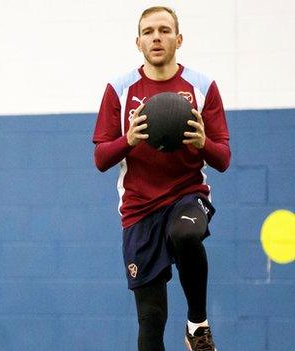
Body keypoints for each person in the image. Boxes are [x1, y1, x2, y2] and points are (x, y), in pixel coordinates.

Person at [92, 6, 230, 351]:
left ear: (178, 39)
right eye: (149, 31)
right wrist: (129, 139)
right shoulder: (119, 90)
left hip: (187, 194)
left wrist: (203, 143)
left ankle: (198, 325)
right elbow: (100, 158)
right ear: (138, 42)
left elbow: (223, 158)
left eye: (165, 30)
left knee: (185, 233)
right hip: (139, 209)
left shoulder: (202, 86)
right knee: (151, 320)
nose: (157, 37)